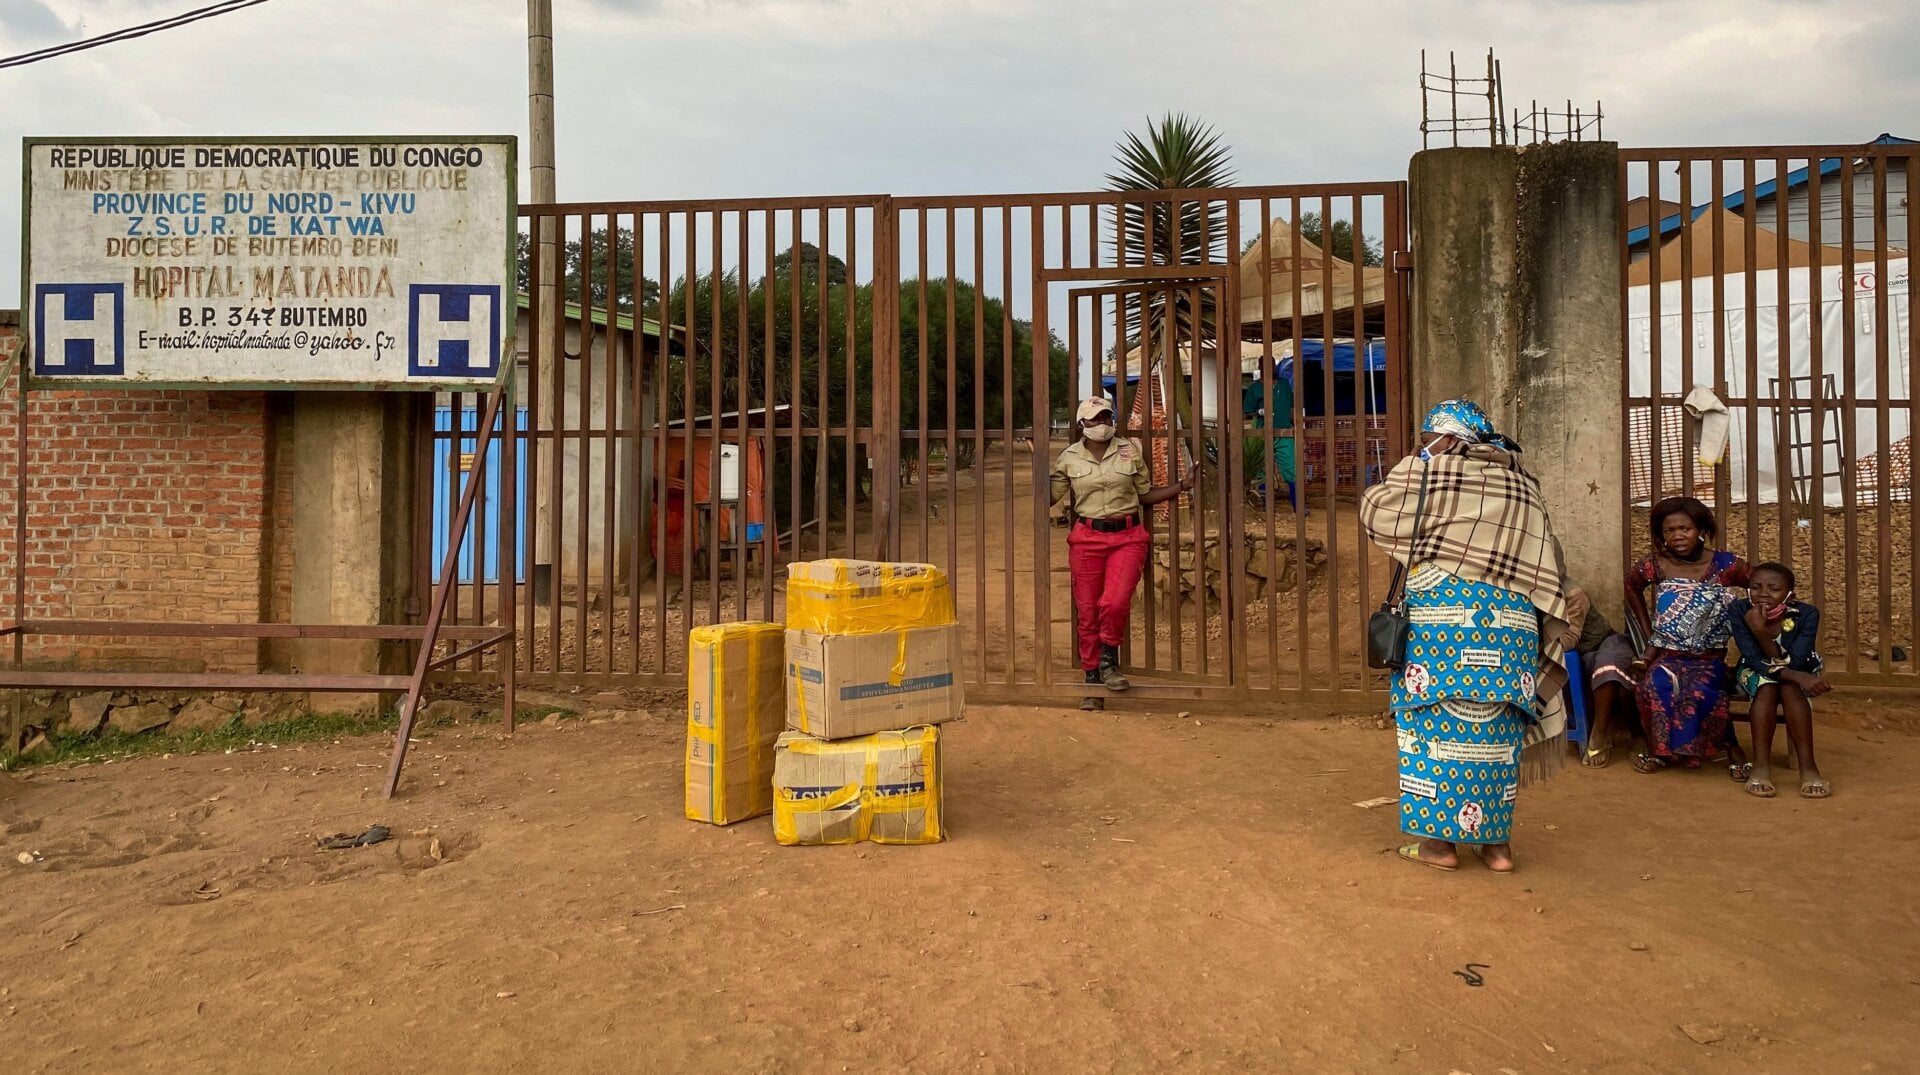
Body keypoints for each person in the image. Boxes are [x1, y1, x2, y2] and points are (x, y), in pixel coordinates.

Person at [1360, 399, 1570, 875]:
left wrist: (1420, 461)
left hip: (1440, 630)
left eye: (1427, 438)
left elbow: (1376, 508)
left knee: (1433, 734)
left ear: (1450, 440)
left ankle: (1438, 846)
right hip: (1511, 632)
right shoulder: (1522, 487)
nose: (1422, 447)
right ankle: (1497, 849)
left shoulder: (1427, 477)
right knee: (1497, 735)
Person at [1049, 397, 1195, 711]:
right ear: (1081, 425)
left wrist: (1181, 486)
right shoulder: (1069, 458)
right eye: (1095, 418)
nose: (1102, 423)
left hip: (1127, 537)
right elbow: (1049, 497)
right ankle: (1093, 682)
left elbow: (1145, 495)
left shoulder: (1129, 450)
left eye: (1106, 416)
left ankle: (1108, 659)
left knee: (1113, 602)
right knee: (1087, 612)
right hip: (1087, 538)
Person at [1624, 496, 1752, 777]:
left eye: (1685, 528)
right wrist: (1650, 633)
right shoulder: (1656, 564)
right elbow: (1631, 585)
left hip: (1708, 658)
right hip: (1667, 656)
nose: (1678, 536)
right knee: (1654, 686)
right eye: (1670, 531)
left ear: (1701, 530)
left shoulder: (1725, 565)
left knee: (1700, 691)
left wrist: (1747, 625)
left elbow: (1761, 586)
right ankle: (1661, 752)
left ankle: (1729, 747)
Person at [1730, 562, 1832, 799]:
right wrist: (1758, 630)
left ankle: (1809, 769)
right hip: (1755, 670)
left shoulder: (1807, 614)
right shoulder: (1739, 610)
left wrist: (1794, 674)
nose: (1763, 593)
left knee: (1789, 688)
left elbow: (1796, 661)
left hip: (1798, 669)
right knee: (1767, 687)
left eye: (1773, 588)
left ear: (1789, 595)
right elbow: (1754, 660)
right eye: (1755, 587)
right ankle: (1761, 767)